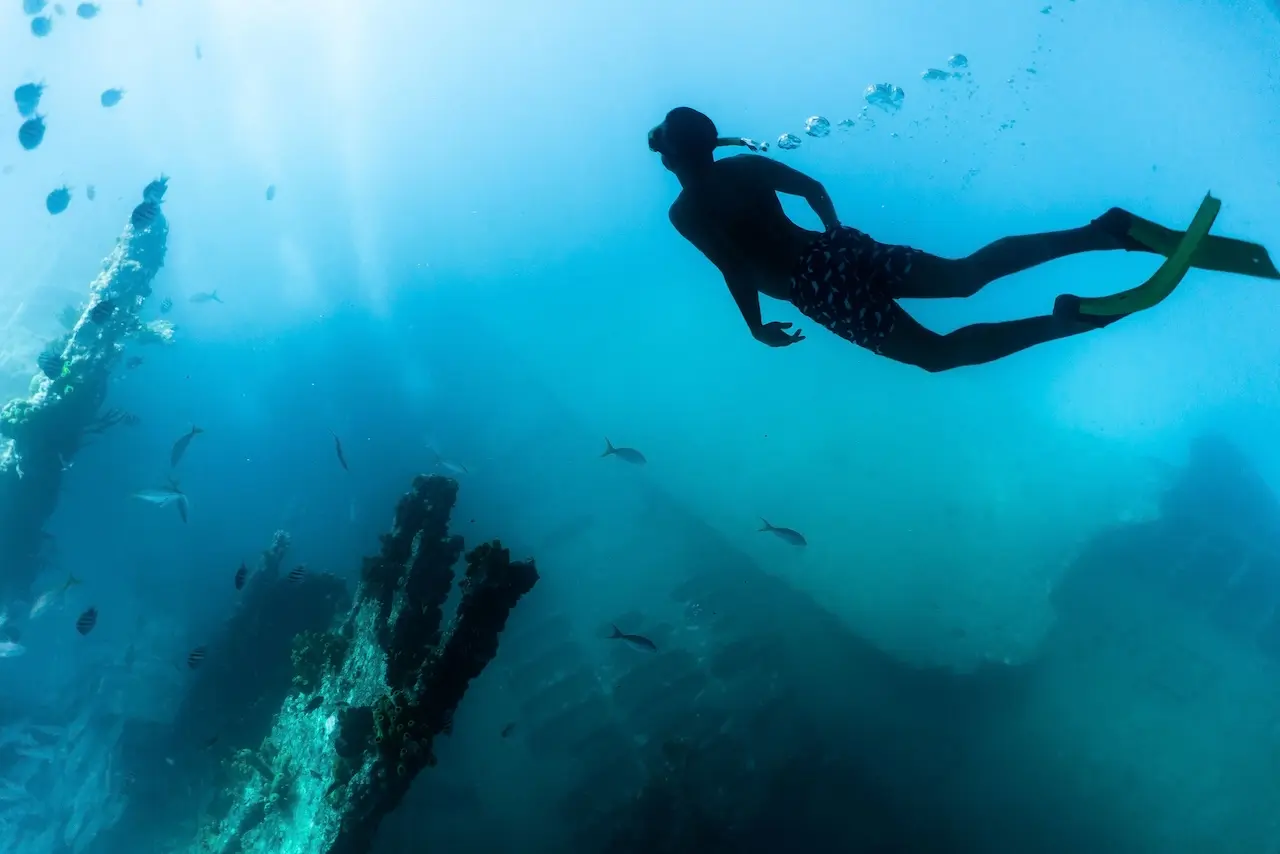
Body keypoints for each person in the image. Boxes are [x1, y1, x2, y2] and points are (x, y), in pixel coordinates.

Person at [649, 106, 1170, 372]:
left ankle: (1062, 323)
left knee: (935, 354)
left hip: (813, 287)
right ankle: (1102, 232)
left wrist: (757, 326)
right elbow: (813, 190)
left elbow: (734, 269)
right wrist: (836, 236)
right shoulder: (744, 166)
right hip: (835, 249)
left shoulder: (687, 211)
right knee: (965, 275)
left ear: (673, 157)